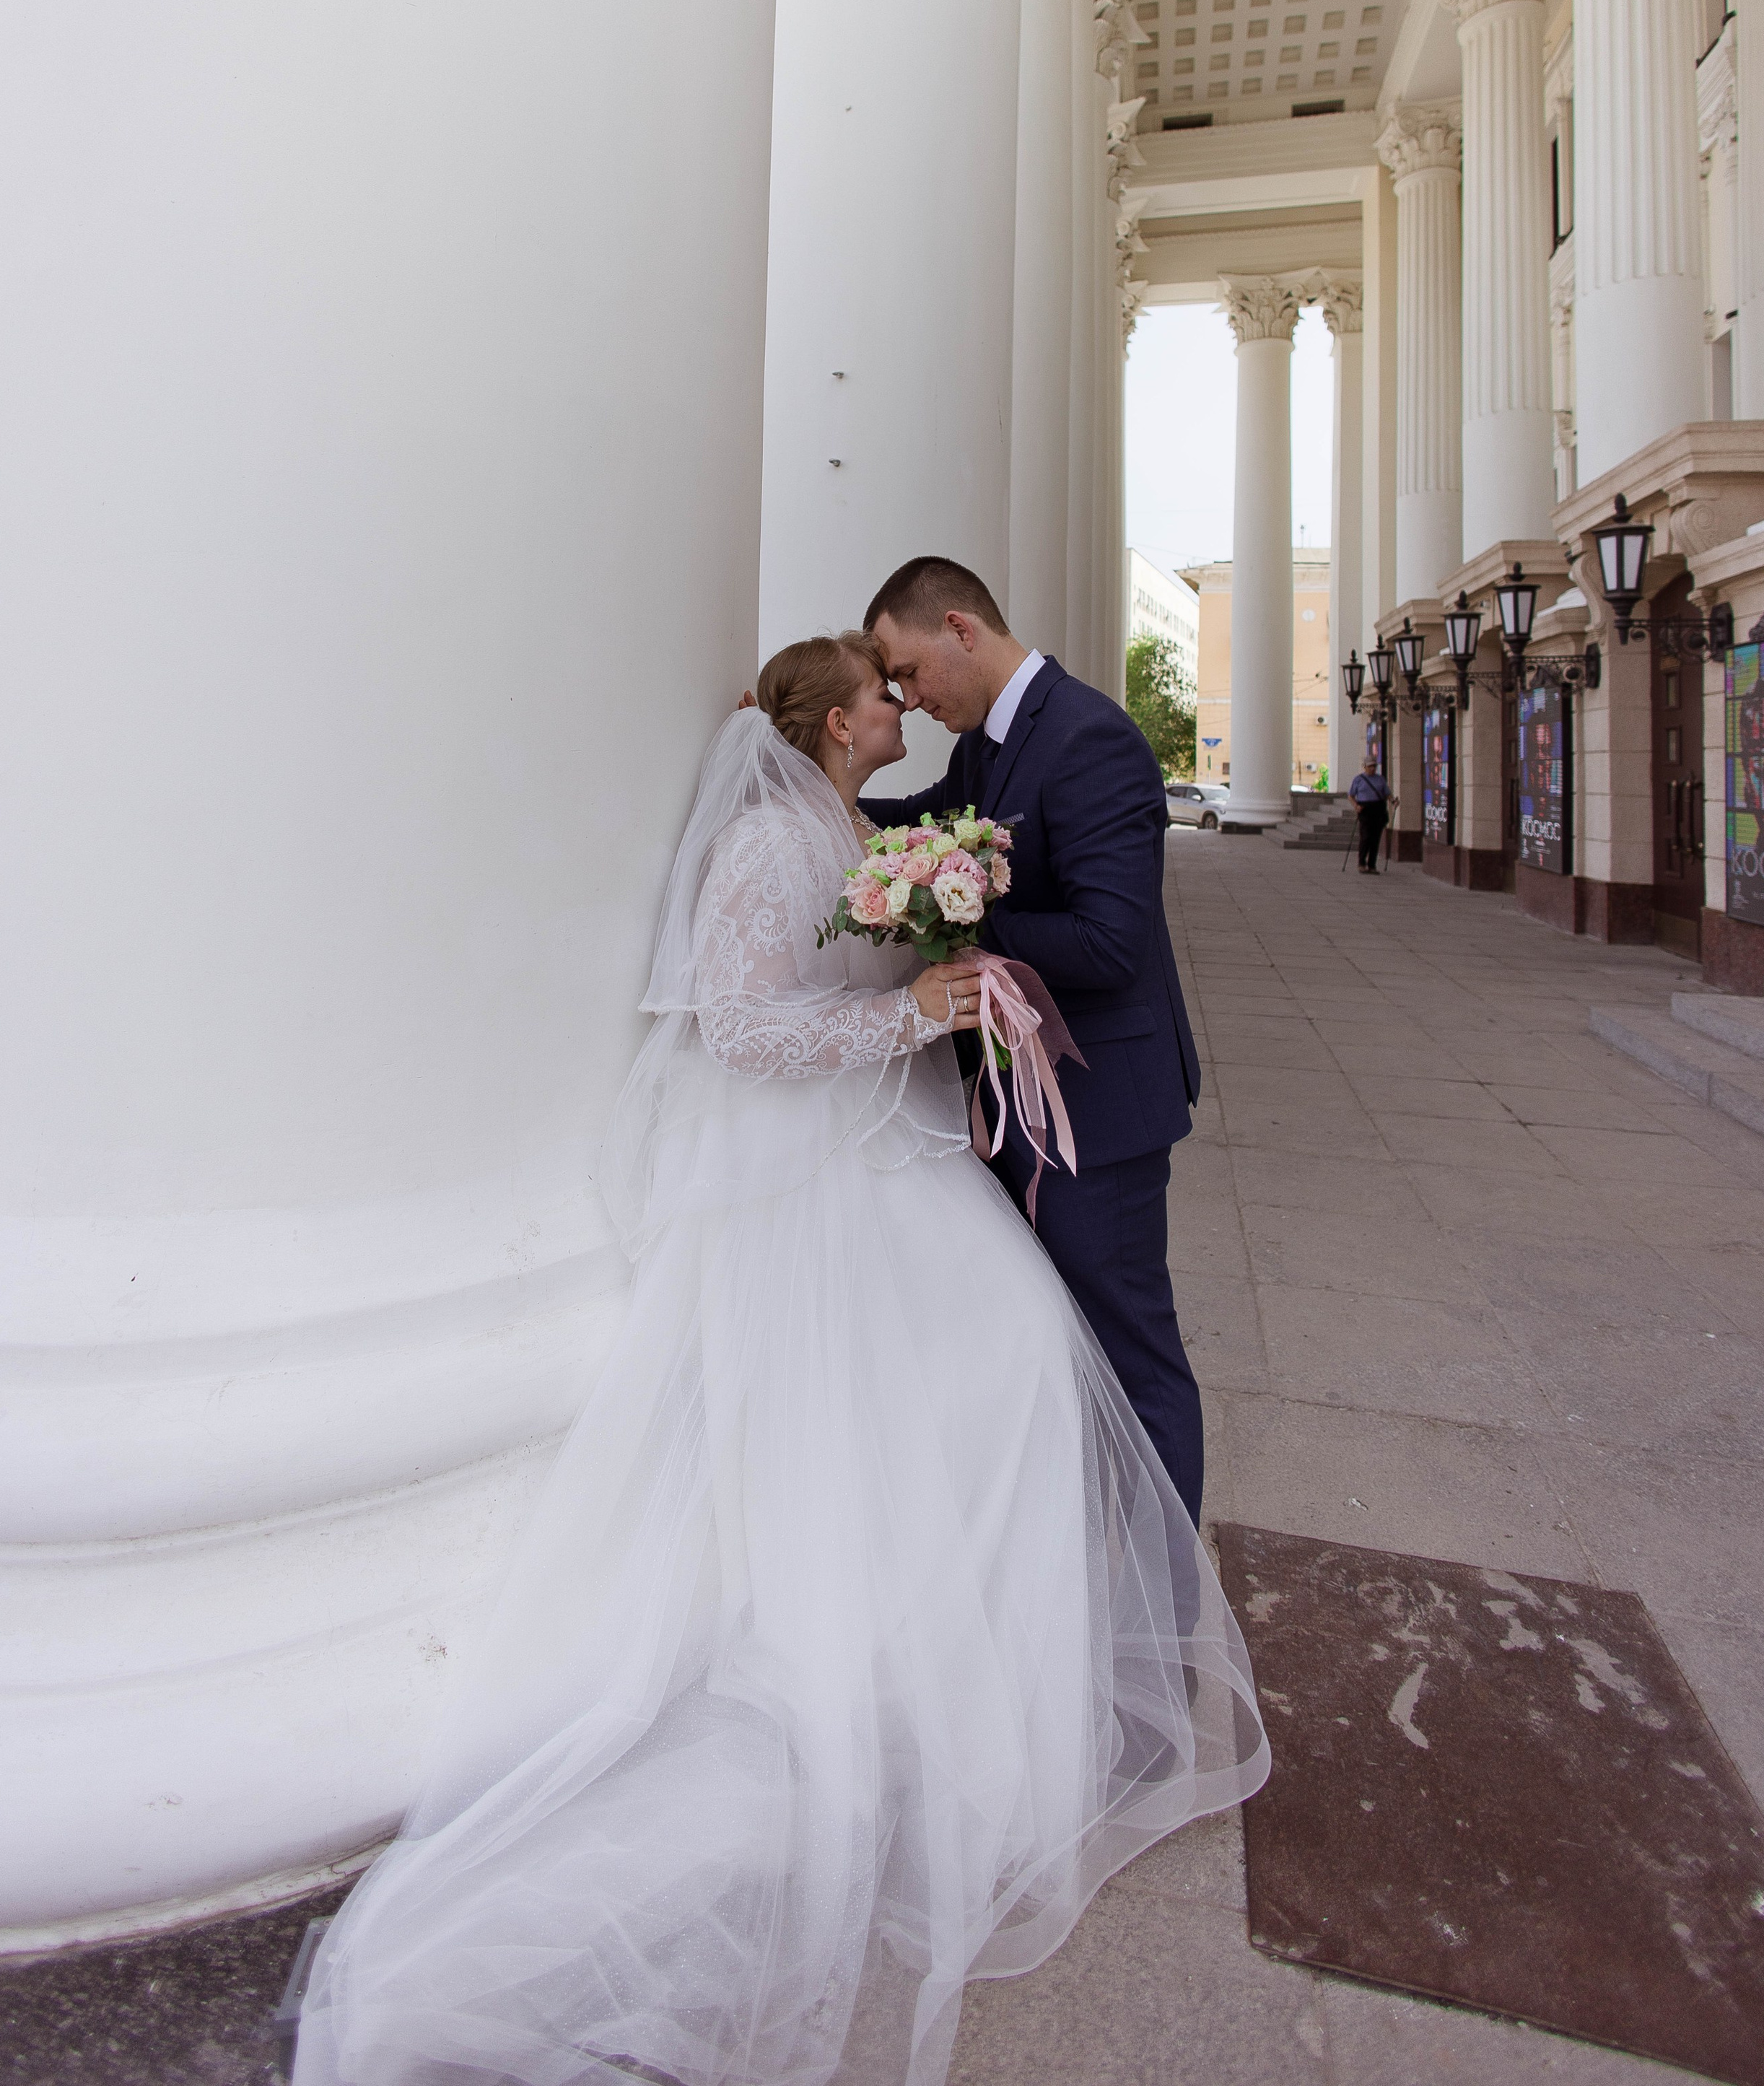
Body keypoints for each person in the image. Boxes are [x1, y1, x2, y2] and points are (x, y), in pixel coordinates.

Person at [296, 633, 1267, 2086]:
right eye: (878, 693)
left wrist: (939, 958)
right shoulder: (767, 840)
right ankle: (921, 1643)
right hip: (813, 1169)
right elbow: (739, 1020)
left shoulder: (840, 816)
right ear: (830, 721)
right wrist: (912, 1006)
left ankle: (1025, 1630)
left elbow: (916, 905)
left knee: (1011, 1358)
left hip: (884, 1142)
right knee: (976, 1363)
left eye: (900, 680)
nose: (900, 704)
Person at [860, 557, 1208, 1532]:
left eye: (912, 672)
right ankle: (1085, 1554)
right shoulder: (991, 744)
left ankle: (1165, 1603)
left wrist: (956, 917)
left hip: (1100, 1107)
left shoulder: (1093, 737)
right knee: (1057, 1343)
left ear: (961, 628)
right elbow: (933, 825)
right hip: (1024, 1097)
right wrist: (822, 792)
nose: (911, 699)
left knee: (1133, 1355)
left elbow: (1110, 939)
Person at [1350, 754, 1389, 873]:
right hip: (1365, 809)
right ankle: (1362, 863)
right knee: (1366, 836)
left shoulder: (1380, 779)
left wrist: (1393, 800)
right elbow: (1351, 796)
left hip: (1378, 809)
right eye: (1370, 766)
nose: (1373, 769)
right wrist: (1356, 806)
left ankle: (1372, 865)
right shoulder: (1358, 779)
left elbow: (1387, 793)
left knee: (1375, 838)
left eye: (1374, 766)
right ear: (1365, 767)